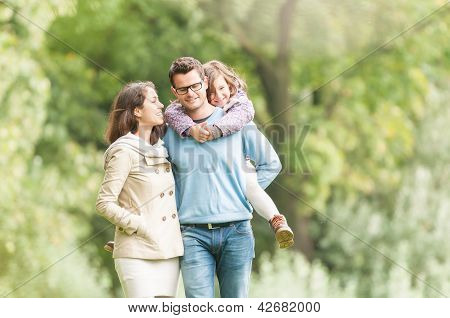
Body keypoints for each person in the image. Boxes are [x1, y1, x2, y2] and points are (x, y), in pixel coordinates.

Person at [163, 56, 282, 298]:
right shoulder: (170, 132)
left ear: (204, 82)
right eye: (183, 89)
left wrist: (243, 192)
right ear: (174, 91)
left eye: (195, 86)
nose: (190, 93)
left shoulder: (236, 123)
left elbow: (271, 164)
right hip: (191, 234)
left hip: (236, 231)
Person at [96, 81, 183, 298]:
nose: (161, 105)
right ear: (136, 110)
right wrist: (138, 225)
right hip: (136, 252)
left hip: (168, 253)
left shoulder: (162, 148)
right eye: (153, 101)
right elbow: (104, 203)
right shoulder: (124, 150)